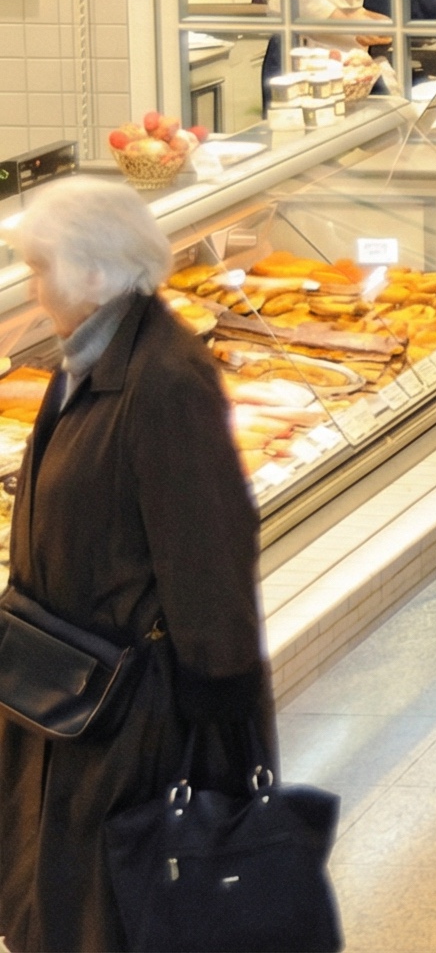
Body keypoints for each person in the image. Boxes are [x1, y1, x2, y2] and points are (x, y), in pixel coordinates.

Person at [0, 180, 274, 952]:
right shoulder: (86, 359)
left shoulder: (162, 380)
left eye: (39, 267)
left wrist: (220, 706)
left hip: (131, 708)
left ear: (92, 275)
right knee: (69, 903)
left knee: (113, 911)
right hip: (66, 686)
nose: (30, 285)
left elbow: (209, 551)